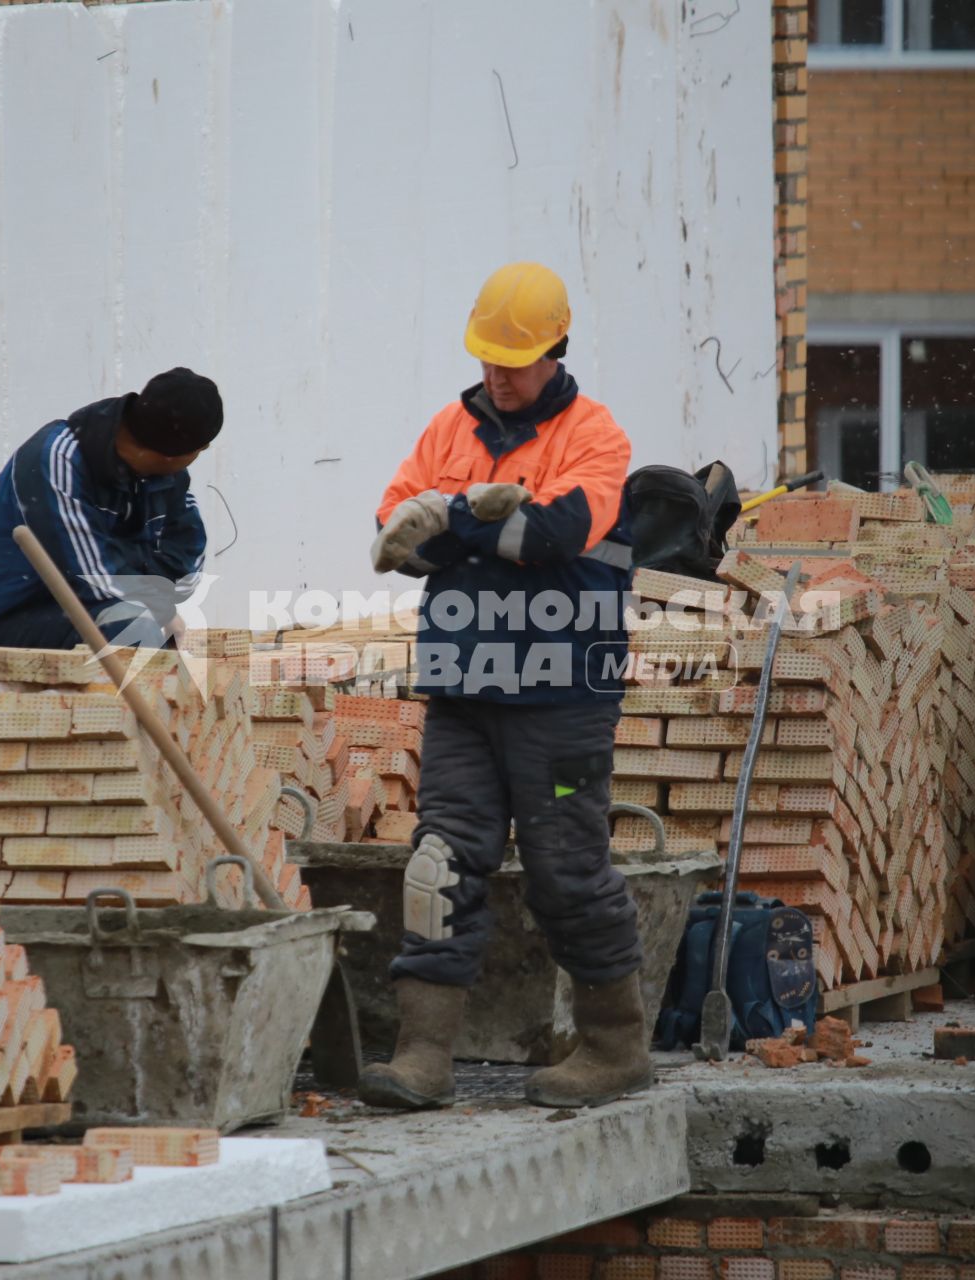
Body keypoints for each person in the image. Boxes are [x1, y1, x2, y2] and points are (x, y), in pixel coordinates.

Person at [359, 261, 649, 1111]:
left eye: (513, 361)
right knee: (439, 863)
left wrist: (452, 524)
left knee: (566, 869)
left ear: (555, 348)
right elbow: (391, 535)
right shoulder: (449, 427)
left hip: (562, 698)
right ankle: (423, 1057)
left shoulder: (597, 437)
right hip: (463, 690)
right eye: (488, 359)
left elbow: (556, 535)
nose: (497, 376)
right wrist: (469, 517)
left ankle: (614, 1047)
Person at [0, 368, 223, 652]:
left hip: (103, 614)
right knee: (136, 628)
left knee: (162, 637)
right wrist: (155, 604)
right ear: (176, 454)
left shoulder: (166, 477)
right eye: (202, 449)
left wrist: (153, 599)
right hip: (12, 622)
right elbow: (92, 578)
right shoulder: (56, 457)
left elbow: (185, 573)